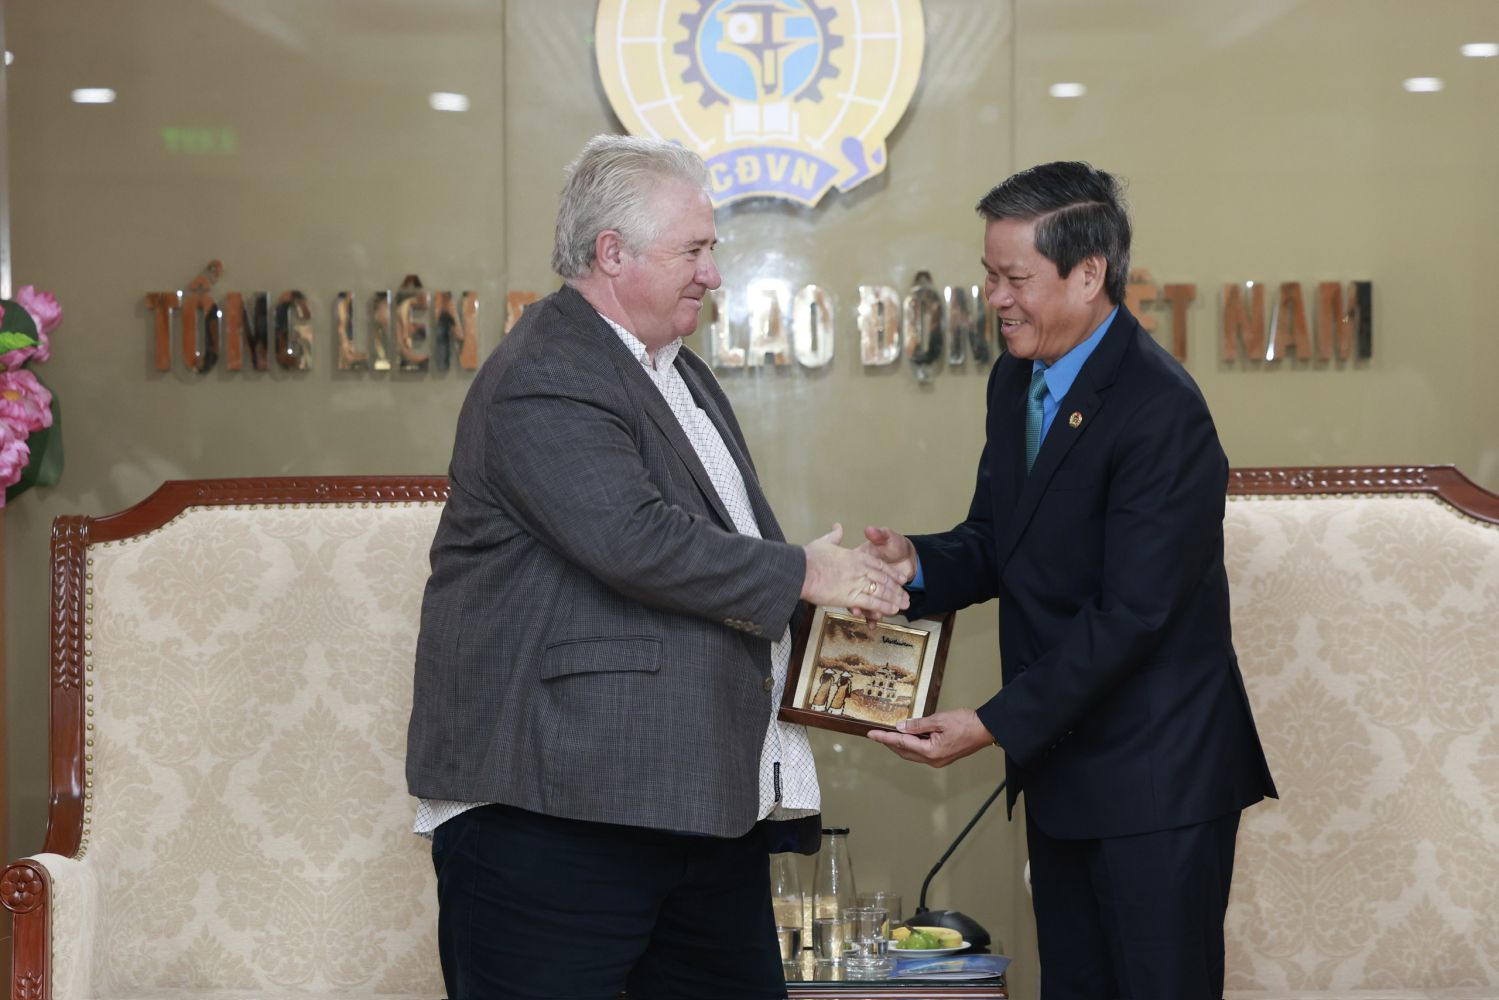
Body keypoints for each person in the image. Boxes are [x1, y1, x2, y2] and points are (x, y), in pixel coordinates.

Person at [405, 134, 909, 1000]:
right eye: (696, 250)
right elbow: (632, 540)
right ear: (612, 253)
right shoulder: (547, 372)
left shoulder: (678, 372)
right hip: (557, 817)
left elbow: (717, 553)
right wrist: (803, 574)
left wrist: (845, 597)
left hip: (690, 808)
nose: (713, 274)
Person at [859, 161, 1278, 1000]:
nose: (995, 298)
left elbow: (1133, 615)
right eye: (988, 274)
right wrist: (918, 563)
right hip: (1064, 774)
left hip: (1156, 782)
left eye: (1015, 278)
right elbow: (998, 538)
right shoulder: (1017, 375)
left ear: (1089, 274)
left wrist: (989, 722)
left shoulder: (1162, 411)